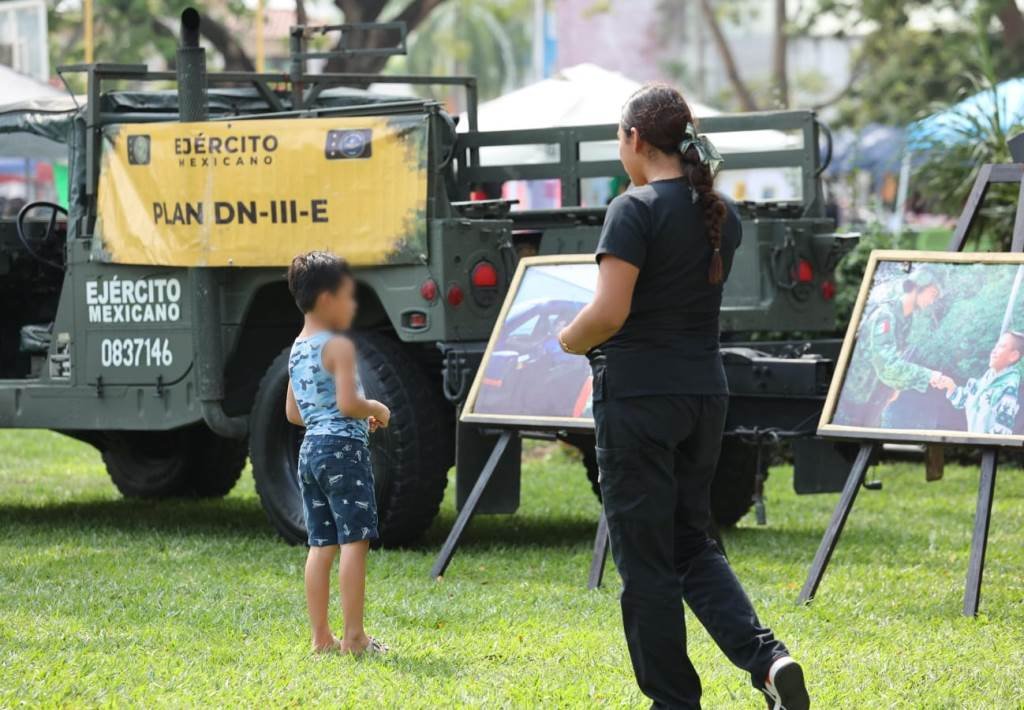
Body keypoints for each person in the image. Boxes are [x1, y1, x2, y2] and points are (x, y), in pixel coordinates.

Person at [558, 83, 809, 710]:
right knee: (691, 541)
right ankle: (769, 661)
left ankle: (673, 701)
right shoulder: (722, 213)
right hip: (704, 395)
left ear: (635, 139)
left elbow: (609, 313)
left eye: (619, 137)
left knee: (645, 561)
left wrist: (567, 337)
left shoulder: (632, 209)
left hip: (638, 399)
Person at [285, 251, 391, 655]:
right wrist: (376, 409)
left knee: (321, 544)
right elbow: (349, 403)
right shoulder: (338, 346)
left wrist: (334, 418)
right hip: (343, 450)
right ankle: (355, 638)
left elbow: (294, 413)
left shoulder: (297, 348)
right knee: (354, 541)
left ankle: (320, 638)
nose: (352, 305)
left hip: (310, 448)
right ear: (328, 299)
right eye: (348, 297)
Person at [834, 269, 953, 429]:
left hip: (874, 397)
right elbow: (888, 367)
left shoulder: (906, 319)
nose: (933, 301)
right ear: (917, 288)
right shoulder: (885, 316)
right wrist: (931, 377)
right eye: (932, 294)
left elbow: (898, 354)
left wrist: (895, 386)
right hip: (854, 401)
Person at [942, 330, 1024, 435]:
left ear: (1013, 356)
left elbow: (1002, 430)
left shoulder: (1009, 387)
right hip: (976, 445)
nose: (994, 351)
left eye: (1001, 346)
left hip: (988, 449)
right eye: (996, 346)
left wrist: (980, 446)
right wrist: (950, 386)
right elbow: (964, 400)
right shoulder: (986, 380)